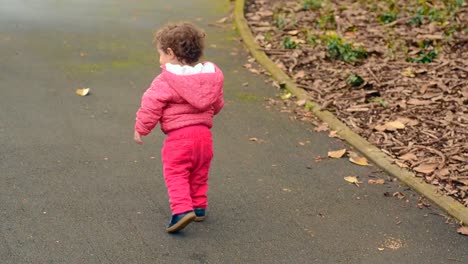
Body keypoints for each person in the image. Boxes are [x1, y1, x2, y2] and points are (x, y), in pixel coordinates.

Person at [134, 22, 224, 233]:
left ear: (170, 53)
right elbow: (217, 103)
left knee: (176, 173)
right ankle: (199, 207)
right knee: (199, 171)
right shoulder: (210, 78)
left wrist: (141, 127)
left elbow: (151, 104)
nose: (160, 60)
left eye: (160, 54)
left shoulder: (166, 79)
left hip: (179, 137)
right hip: (204, 136)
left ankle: (182, 210)